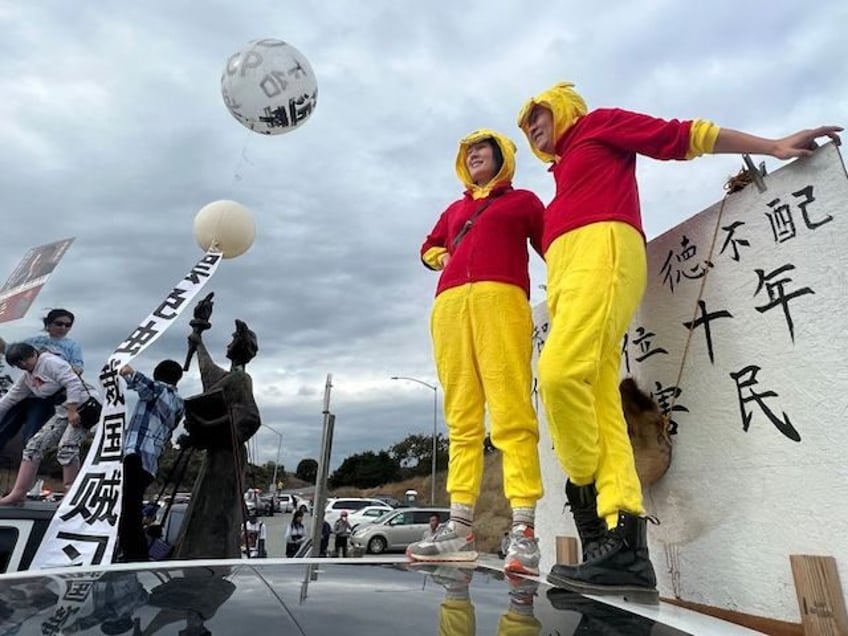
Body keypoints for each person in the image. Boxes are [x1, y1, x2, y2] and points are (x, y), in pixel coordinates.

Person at [515, 81, 843, 602]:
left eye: (538, 114)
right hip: (568, 278)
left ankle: (596, 522)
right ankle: (623, 547)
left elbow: (679, 136)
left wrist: (773, 146)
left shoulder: (599, 124)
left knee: (556, 375)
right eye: (525, 123)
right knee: (598, 402)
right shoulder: (562, 180)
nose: (532, 126)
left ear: (563, 108)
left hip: (605, 256)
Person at [406, 129, 545, 576]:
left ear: (503, 157)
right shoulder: (454, 209)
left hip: (501, 303)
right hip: (449, 308)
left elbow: (554, 247)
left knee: (511, 412)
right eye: (468, 153)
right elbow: (428, 246)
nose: (473, 157)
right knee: (461, 419)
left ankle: (523, 528)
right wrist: (439, 258)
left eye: (482, 151)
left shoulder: (523, 201)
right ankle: (460, 526)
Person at [0, 342, 97, 504]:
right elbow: (10, 399)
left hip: (84, 406)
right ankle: (18, 493)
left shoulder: (50, 362)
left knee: (67, 448)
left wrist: (73, 410)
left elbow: (72, 381)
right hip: (62, 410)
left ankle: (71, 495)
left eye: (24, 360)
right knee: (33, 446)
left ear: (33, 354)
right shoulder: (27, 378)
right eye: (18, 364)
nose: (23, 365)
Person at [117, 360, 184, 562]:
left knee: (128, 510)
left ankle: (134, 556)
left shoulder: (159, 391)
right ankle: (133, 553)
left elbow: (147, 387)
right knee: (132, 507)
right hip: (151, 461)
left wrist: (129, 371)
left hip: (136, 454)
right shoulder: (179, 402)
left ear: (157, 374)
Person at [0, 308, 84, 452]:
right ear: (49, 324)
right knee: (5, 427)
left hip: (48, 393)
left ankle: (28, 470)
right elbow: (10, 351)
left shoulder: (71, 347)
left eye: (68, 325)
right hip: (30, 388)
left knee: (32, 435)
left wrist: (72, 409)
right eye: (59, 324)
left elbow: (76, 373)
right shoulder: (34, 342)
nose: (63, 327)